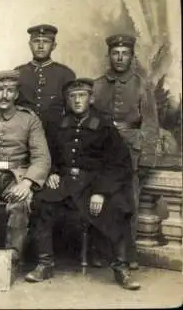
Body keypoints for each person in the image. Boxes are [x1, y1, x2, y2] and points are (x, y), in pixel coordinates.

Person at [24, 78, 140, 290]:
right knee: (41, 202)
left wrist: (101, 192)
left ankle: (121, 268)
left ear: (91, 98)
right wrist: (53, 172)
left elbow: (119, 164)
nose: (77, 101)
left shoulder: (105, 126)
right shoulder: (59, 125)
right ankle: (45, 263)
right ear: (67, 100)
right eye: (72, 96)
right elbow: (47, 155)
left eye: (82, 96)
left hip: (95, 183)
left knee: (118, 206)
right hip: (66, 182)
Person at [0, 70, 51, 269]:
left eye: (9, 90)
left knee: (21, 202)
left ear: (16, 94)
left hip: (17, 176)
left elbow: (42, 157)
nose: (4, 95)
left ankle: (13, 257)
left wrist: (27, 182)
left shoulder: (29, 119)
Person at [92, 34, 159, 269]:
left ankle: (129, 256)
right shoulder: (97, 85)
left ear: (132, 56)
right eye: (115, 53)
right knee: (101, 200)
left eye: (125, 53)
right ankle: (101, 253)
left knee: (129, 202)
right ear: (109, 55)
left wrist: (147, 157)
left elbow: (150, 124)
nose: (119, 58)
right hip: (102, 151)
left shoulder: (142, 86)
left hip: (131, 150)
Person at [14, 24, 76, 127]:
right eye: (36, 41)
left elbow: (72, 111)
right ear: (30, 44)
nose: (41, 46)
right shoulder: (18, 73)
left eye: (46, 42)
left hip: (55, 134)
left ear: (54, 46)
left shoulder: (66, 74)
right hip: (23, 132)